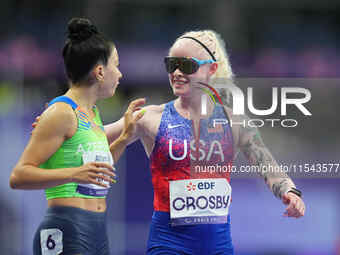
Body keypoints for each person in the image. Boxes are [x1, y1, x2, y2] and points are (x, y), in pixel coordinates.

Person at [32, 30, 306, 254]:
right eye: (171, 65)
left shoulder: (234, 122)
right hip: (168, 244)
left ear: (211, 70)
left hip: (218, 245)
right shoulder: (149, 117)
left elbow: (266, 162)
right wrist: (58, 126)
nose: (176, 72)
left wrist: (291, 192)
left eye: (186, 65)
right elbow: (95, 136)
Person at [9, 17, 145, 255]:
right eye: (117, 65)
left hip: (96, 230)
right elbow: (18, 176)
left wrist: (123, 138)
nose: (120, 74)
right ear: (100, 71)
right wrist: (74, 174)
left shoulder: (92, 114)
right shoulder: (61, 112)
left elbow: (96, 174)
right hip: (66, 228)